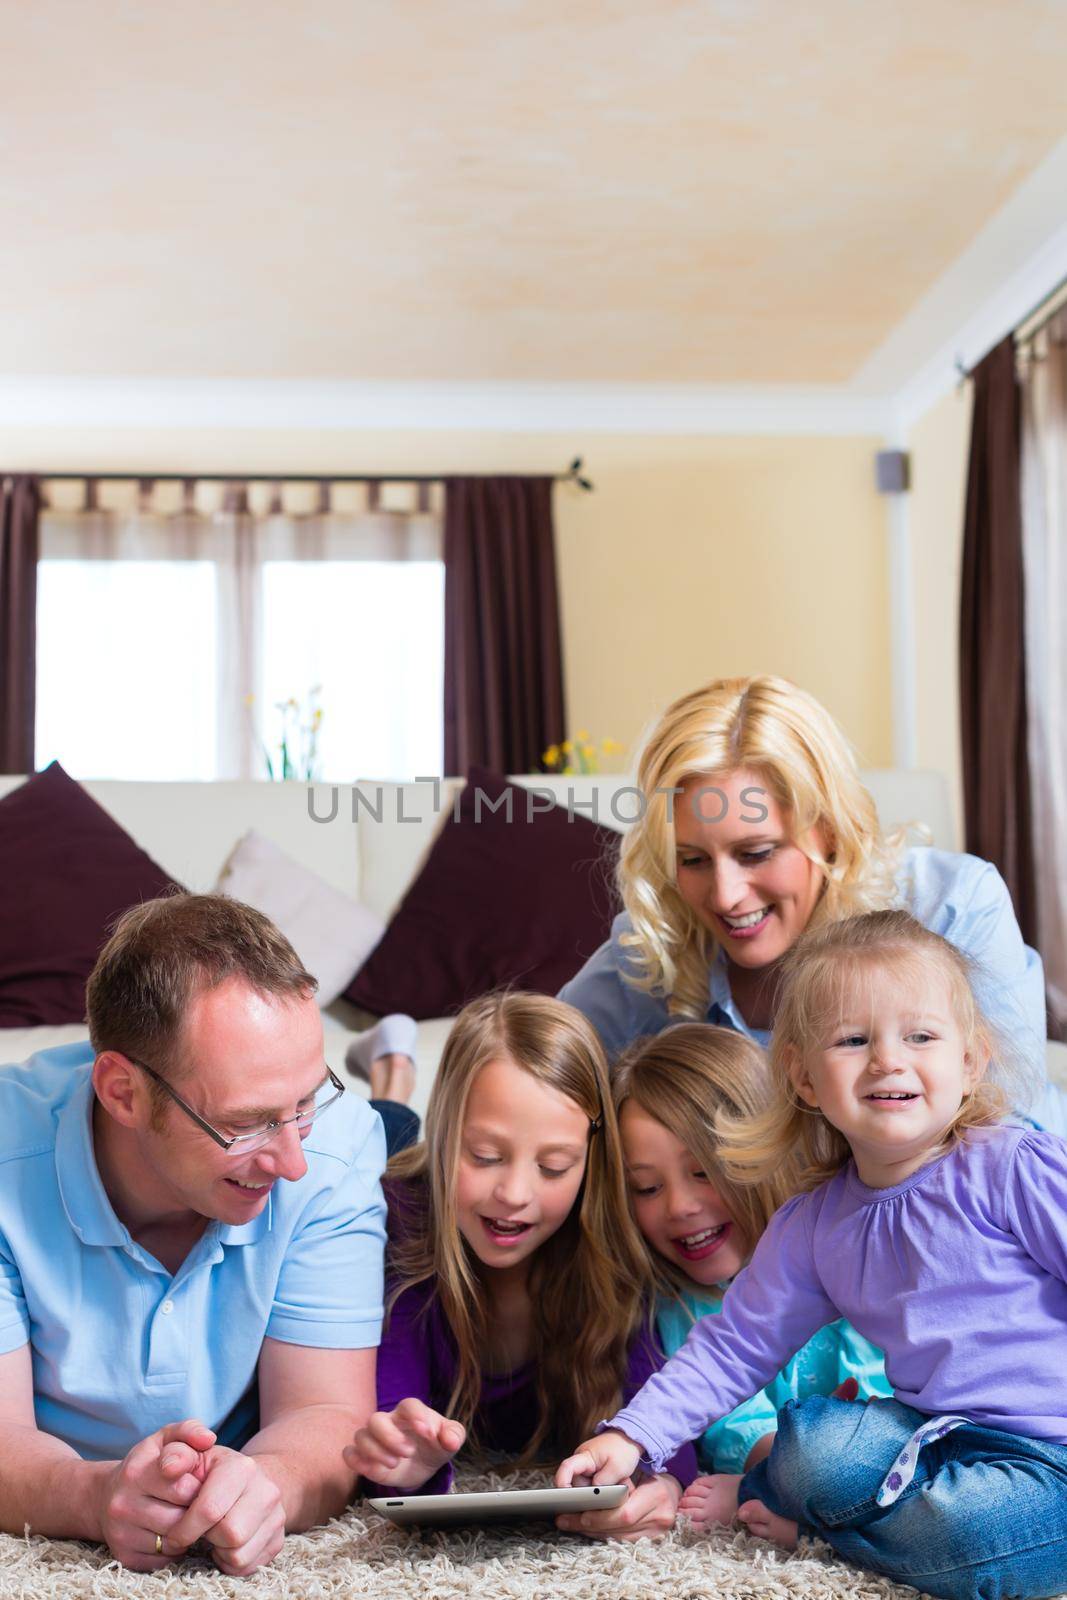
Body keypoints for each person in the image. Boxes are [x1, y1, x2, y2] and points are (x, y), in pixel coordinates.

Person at [558, 911, 1067, 1600]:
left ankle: (831, 1535)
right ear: (802, 1078)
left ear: (969, 1061)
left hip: (1050, 1457)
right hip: (923, 1440)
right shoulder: (814, 1224)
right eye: (853, 1040)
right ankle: (872, 1526)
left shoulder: (1012, 1166)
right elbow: (733, 1345)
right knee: (810, 1445)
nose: (888, 1059)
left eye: (919, 1036)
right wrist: (630, 1438)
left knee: (981, 1537)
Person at [0, 893, 389, 1576]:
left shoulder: (333, 1147)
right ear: (122, 1092)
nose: (292, 1161)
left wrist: (266, 1484)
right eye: (246, 1122)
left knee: (410, 1143)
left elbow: (326, 1410)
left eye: (305, 1102)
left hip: (239, 1438)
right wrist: (96, 1496)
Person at [559, 674, 1064, 1132]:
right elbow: (536, 1080)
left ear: (827, 830)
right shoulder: (657, 945)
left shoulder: (952, 905)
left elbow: (1009, 1127)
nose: (726, 895)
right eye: (692, 860)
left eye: (755, 853)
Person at [343, 991, 697, 1541]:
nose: (513, 1193)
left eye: (554, 1167)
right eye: (485, 1156)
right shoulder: (400, 1216)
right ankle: (392, 1073)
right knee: (383, 1127)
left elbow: (663, 1416)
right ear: (446, 1135)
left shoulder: (610, 1238)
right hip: (401, 1158)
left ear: (589, 1163)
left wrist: (666, 1484)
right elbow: (389, 1416)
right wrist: (404, 1464)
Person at [614, 1023, 891, 1529]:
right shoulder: (678, 1301)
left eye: (703, 1172)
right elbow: (732, 1423)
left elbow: (893, 1390)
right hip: (815, 1458)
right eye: (647, 1188)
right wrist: (782, 1469)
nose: (680, 1206)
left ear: (765, 1153)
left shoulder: (848, 1243)